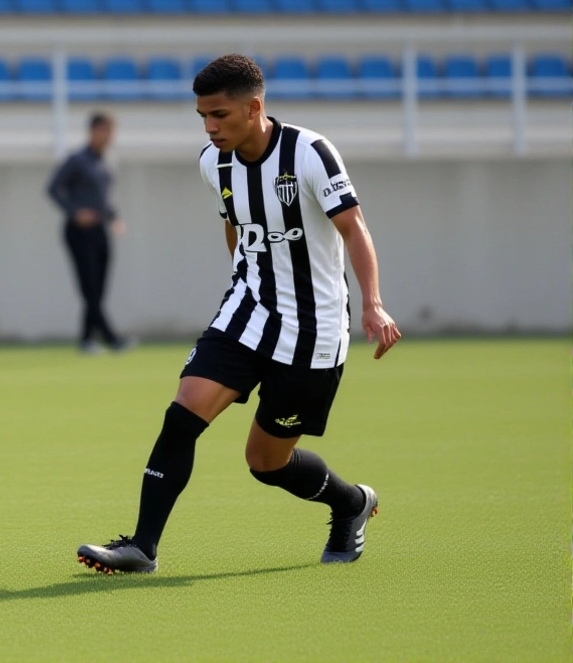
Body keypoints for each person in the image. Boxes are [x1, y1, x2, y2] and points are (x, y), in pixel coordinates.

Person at [76, 54, 401, 574]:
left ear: (254, 108)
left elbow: (353, 227)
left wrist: (372, 303)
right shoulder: (214, 161)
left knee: (265, 463)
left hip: (312, 332)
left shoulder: (310, 153)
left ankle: (350, 503)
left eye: (220, 115)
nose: (210, 127)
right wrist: (243, 279)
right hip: (247, 312)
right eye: (202, 116)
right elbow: (235, 221)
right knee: (182, 415)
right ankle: (142, 547)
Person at [47, 112, 130, 354]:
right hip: (78, 231)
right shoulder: (77, 159)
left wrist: (114, 218)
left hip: (100, 229)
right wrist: (75, 212)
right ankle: (111, 338)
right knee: (89, 287)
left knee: (99, 289)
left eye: (111, 131)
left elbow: (106, 197)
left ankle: (86, 340)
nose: (109, 136)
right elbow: (53, 188)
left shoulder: (108, 160)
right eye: (105, 130)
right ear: (92, 131)